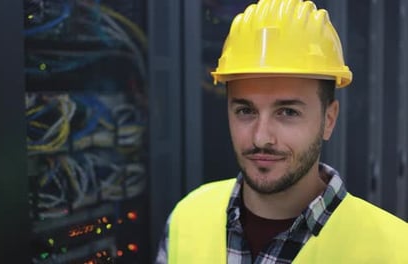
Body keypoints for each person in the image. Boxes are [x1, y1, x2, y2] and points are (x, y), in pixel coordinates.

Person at [155, 0, 408, 263]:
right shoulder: (187, 218)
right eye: (245, 111)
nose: (261, 137)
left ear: (329, 120)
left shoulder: (397, 250)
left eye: (287, 112)